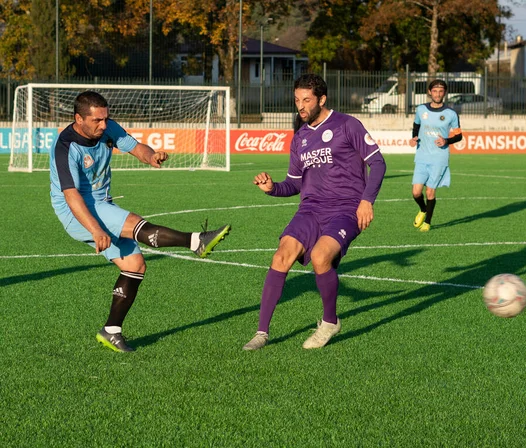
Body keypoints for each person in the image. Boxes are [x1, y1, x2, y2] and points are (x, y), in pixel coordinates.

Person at [49, 91, 231, 353]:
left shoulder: (108, 127)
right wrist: (96, 229)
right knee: (135, 223)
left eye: (105, 119)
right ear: (78, 118)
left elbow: (135, 147)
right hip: (75, 210)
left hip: (101, 203)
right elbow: (71, 196)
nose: (103, 125)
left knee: (135, 265)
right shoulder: (65, 147)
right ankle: (196, 241)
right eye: (96, 121)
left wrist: (151, 156)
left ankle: (111, 331)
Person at [243, 74, 387, 351]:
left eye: (306, 100)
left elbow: (378, 164)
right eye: (297, 100)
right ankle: (262, 332)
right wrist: (272, 188)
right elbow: (295, 184)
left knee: (321, 257)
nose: (301, 106)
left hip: (346, 208)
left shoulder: (348, 125)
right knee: (281, 255)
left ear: (322, 99)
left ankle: (329, 321)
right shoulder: (300, 139)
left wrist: (367, 201)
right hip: (310, 209)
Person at [409, 79, 462, 232]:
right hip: (422, 156)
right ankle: (423, 210)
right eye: (435, 91)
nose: (438, 94)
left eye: (441, 91)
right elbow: (416, 125)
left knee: (430, 191)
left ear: (444, 93)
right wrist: (414, 136)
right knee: (416, 192)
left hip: (439, 158)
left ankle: (428, 222)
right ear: (429, 92)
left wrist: (447, 140)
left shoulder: (451, 114)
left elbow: (459, 136)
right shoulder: (420, 109)